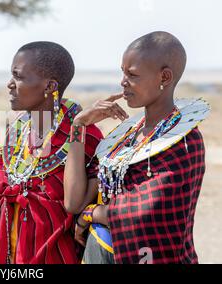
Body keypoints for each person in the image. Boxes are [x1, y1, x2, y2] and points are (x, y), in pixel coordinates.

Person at [68, 31, 209, 264]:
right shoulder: (127, 137)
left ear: (164, 77)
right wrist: (78, 125)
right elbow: (74, 202)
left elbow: (145, 211)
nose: (123, 82)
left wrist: (93, 214)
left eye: (132, 75)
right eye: (122, 72)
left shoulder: (184, 141)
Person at [0, 41, 103, 264]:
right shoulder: (17, 131)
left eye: (18, 77)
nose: (10, 84)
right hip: (9, 253)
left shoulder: (86, 135)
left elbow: (76, 204)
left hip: (56, 255)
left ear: (49, 87)